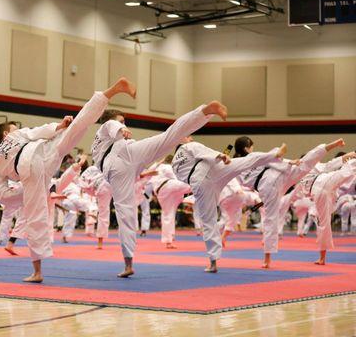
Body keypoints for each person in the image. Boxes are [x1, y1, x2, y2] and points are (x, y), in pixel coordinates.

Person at [0, 77, 136, 283]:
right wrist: (60, 126)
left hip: (29, 168)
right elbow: (40, 131)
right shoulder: (19, 134)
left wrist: (23, 194)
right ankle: (111, 91)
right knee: (78, 124)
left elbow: (1, 195)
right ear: (6, 133)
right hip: (46, 151)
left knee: (36, 217)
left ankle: (37, 272)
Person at [92, 101, 227, 278]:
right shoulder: (104, 130)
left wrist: (121, 131)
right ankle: (203, 112)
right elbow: (111, 125)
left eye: (124, 122)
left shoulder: (115, 139)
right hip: (117, 160)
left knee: (169, 137)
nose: (124, 124)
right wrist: (119, 128)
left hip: (126, 158)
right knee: (126, 212)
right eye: (122, 121)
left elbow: (116, 127)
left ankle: (205, 111)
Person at [173, 139, 287, 273]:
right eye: (188, 138)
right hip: (212, 170)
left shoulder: (174, 166)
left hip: (199, 183)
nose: (190, 138)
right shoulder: (187, 146)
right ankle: (274, 154)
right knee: (246, 161)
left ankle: (213, 261)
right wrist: (221, 156)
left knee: (209, 221)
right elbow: (201, 150)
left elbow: (184, 179)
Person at [236, 137, 346, 268]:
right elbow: (271, 159)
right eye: (251, 146)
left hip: (267, 184)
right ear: (246, 148)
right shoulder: (253, 156)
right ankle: (331, 145)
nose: (252, 148)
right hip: (280, 175)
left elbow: (268, 160)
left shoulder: (237, 165)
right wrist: (291, 162)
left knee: (270, 219)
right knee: (306, 162)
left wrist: (228, 152)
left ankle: (267, 260)